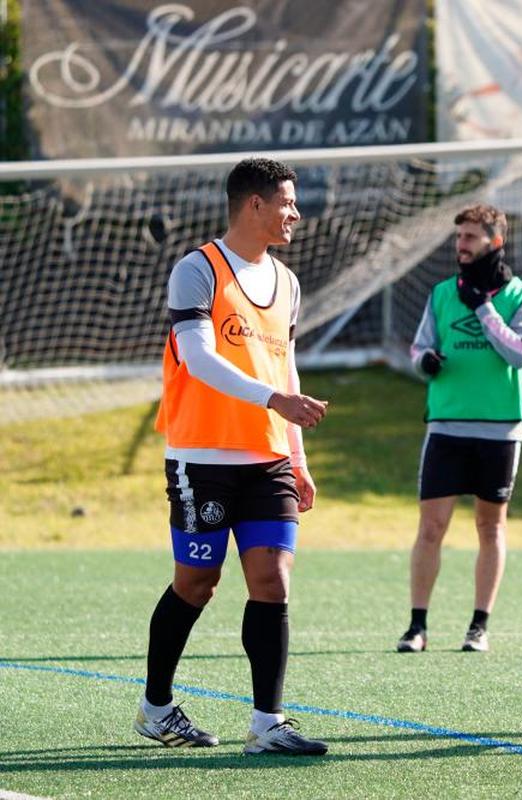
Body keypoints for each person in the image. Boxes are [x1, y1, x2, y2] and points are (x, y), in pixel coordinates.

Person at [138, 157, 329, 755]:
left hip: (268, 458)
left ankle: (268, 724)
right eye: (288, 202)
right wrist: (275, 398)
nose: (295, 213)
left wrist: (298, 458)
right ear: (255, 204)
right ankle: (156, 708)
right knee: (197, 583)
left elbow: (285, 368)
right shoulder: (197, 269)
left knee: (272, 580)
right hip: (202, 456)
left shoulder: (289, 283)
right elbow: (197, 358)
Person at [396, 204, 522, 654]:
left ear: (494, 241)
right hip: (446, 425)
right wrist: (424, 361)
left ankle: (479, 625)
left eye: (470, 237)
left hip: (500, 429)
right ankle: (417, 625)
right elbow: (420, 346)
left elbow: (520, 353)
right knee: (431, 527)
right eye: (458, 237)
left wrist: (483, 309)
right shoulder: (441, 293)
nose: (461, 246)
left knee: (489, 527)